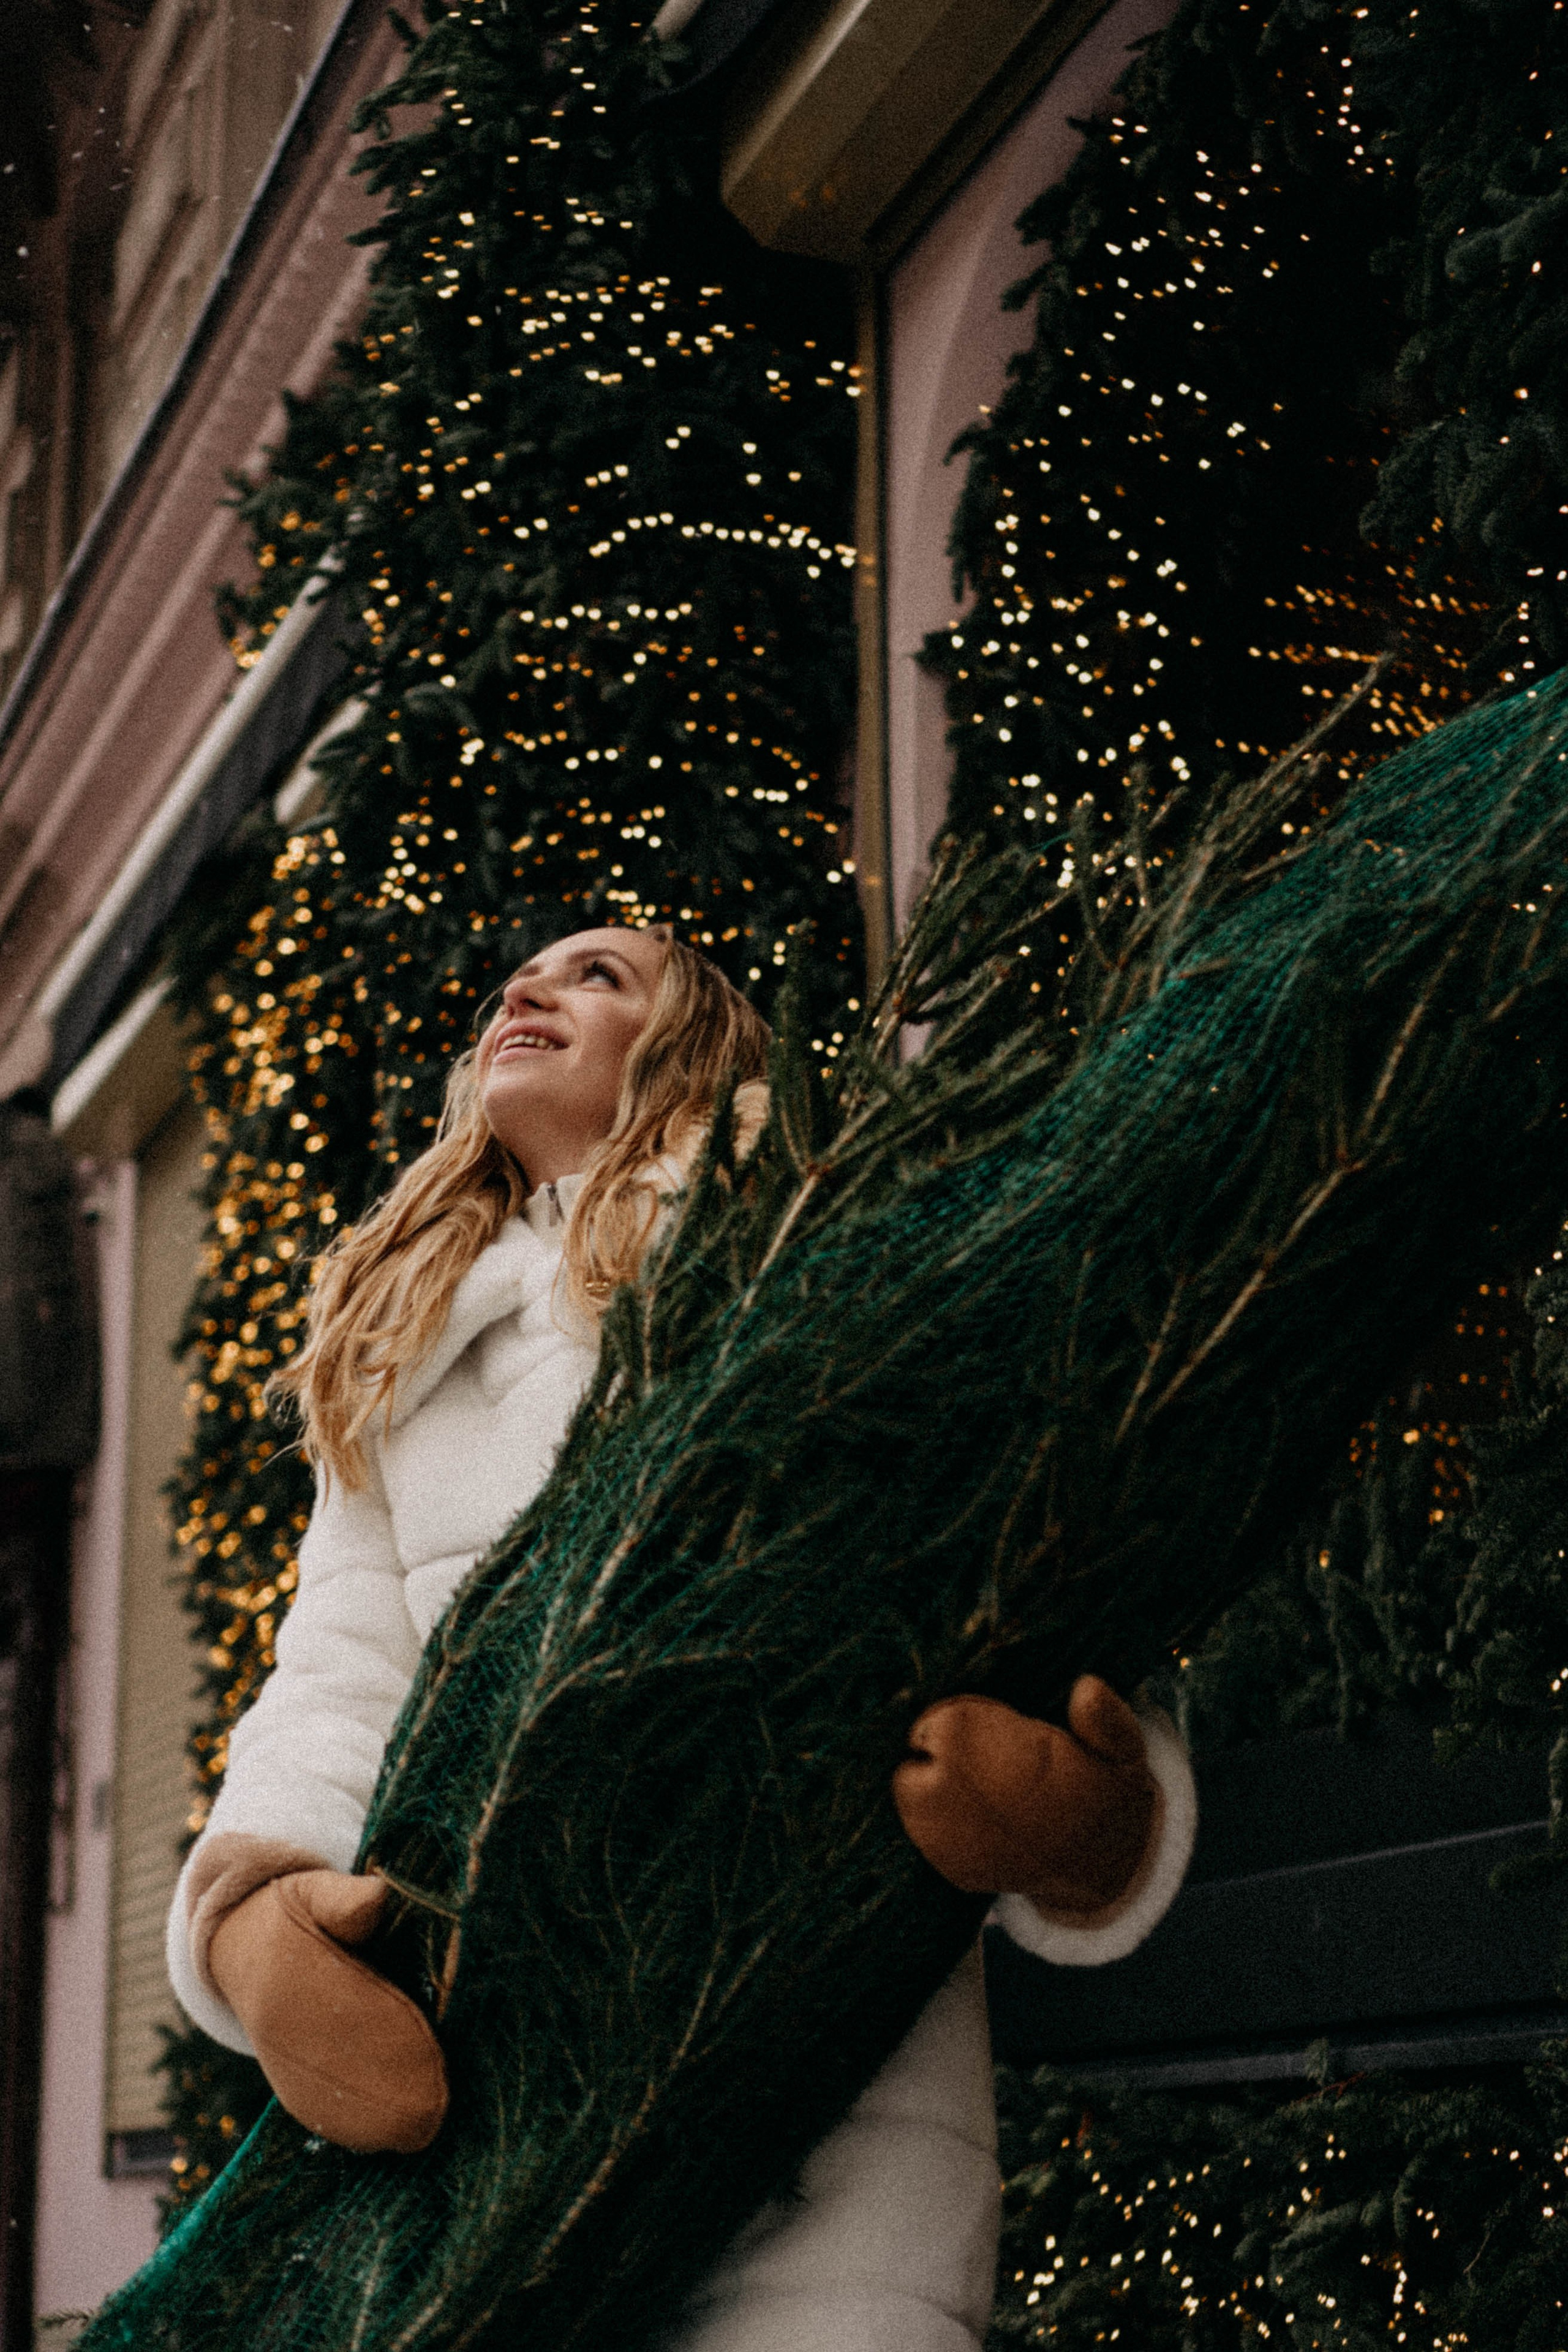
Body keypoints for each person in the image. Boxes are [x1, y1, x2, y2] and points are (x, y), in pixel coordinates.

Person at [167, 921, 1196, 2351]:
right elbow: (337, 1683)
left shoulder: (811, 1252)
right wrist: (252, 1928)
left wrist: (1088, 1818)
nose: (526, 987)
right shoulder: (406, 1353)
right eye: (517, 977)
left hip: (833, 2084)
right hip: (506, 2105)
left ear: (696, 1049)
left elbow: (1008, 1544)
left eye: (598, 975)